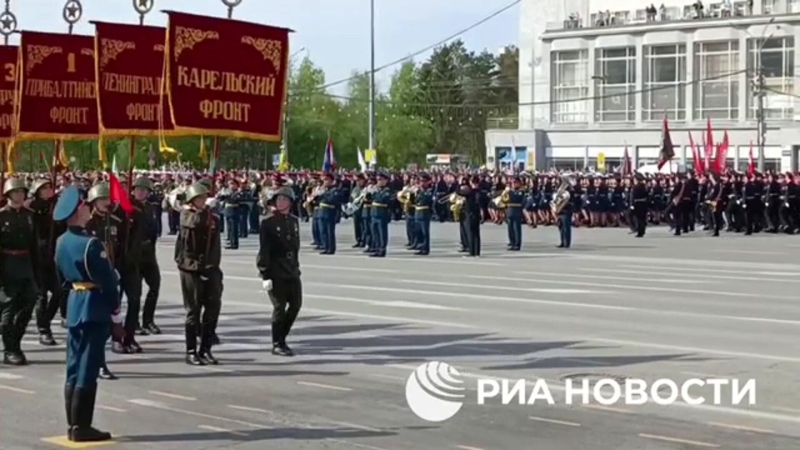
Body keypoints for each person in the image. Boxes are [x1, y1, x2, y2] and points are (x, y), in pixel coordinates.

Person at [54, 186, 122, 443]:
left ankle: (72, 424)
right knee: (88, 366)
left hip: (75, 303)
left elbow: (61, 277)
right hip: (94, 305)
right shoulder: (90, 244)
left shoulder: (62, 241)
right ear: (77, 212)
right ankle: (82, 425)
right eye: (83, 206)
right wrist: (115, 311)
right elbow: (109, 282)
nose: (87, 210)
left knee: (73, 365)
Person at [174, 183, 222, 366]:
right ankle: (191, 351)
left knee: (212, 308)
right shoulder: (186, 215)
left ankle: (206, 349)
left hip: (210, 267)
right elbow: (194, 223)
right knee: (193, 310)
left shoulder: (211, 217)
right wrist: (205, 212)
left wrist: (212, 267)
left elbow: (215, 244)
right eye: (199, 198)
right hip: (190, 267)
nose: (203, 201)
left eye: (204, 198)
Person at [257, 187, 302, 356]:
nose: (280, 202)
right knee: (279, 307)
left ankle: (281, 336)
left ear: (290, 202)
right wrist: (265, 274)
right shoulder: (268, 223)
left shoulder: (293, 221)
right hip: (275, 270)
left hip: (291, 269)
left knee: (296, 305)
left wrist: (295, 267)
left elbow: (295, 247)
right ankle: (277, 343)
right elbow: (264, 250)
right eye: (278, 199)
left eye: (284, 199)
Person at [0, 178, 39, 365]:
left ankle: (15, 342)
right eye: (16, 192)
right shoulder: (2, 216)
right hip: (7, 265)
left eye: (22, 192)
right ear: (8, 194)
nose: (20, 195)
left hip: (26, 264)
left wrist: (38, 269)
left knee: (29, 304)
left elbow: (34, 244)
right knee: (8, 309)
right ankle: (10, 349)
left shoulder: (29, 215)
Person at [30, 178, 67, 346]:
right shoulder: (32, 207)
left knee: (59, 292)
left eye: (49, 187)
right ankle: (44, 330)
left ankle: (46, 321)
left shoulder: (56, 206)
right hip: (37, 256)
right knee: (42, 296)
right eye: (43, 188)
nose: (47, 190)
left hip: (53, 256)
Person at [131, 177, 162, 335]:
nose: (141, 192)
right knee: (135, 292)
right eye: (138, 189)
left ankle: (148, 320)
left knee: (155, 285)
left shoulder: (150, 207)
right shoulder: (129, 207)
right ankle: (134, 322)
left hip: (149, 254)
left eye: (144, 190)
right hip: (133, 255)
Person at [369, 173, 392, 257]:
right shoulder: (376, 190)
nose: (378, 182)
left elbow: (382, 199)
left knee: (382, 233)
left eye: (380, 180)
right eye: (378, 180)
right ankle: (376, 248)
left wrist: (374, 193)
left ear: (385, 181)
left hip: (382, 214)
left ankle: (382, 249)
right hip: (374, 213)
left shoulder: (387, 190)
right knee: (375, 232)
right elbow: (368, 199)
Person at [413, 173, 434, 255]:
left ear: (428, 182)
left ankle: (425, 248)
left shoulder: (429, 191)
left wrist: (420, 191)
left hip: (425, 212)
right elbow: (415, 201)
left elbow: (426, 199)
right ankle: (420, 246)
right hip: (417, 212)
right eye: (421, 181)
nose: (422, 183)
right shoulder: (418, 191)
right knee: (418, 231)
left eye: (424, 181)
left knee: (425, 232)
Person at [505, 177, 525, 251]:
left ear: (519, 183)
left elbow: (516, 199)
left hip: (516, 211)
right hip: (509, 211)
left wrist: (509, 192)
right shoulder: (510, 191)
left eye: (515, 182)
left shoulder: (521, 191)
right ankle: (512, 243)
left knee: (516, 229)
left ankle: (517, 244)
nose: (513, 184)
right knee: (510, 229)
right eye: (512, 183)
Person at [630, 173, 649, 237]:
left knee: (637, 218)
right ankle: (642, 230)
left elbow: (632, 197)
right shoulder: (645, 187)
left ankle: (637, 230)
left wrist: (632, 205)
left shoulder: (635, 187)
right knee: (642, 218)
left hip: (637, 203)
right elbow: (647, 195)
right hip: (644, 203)